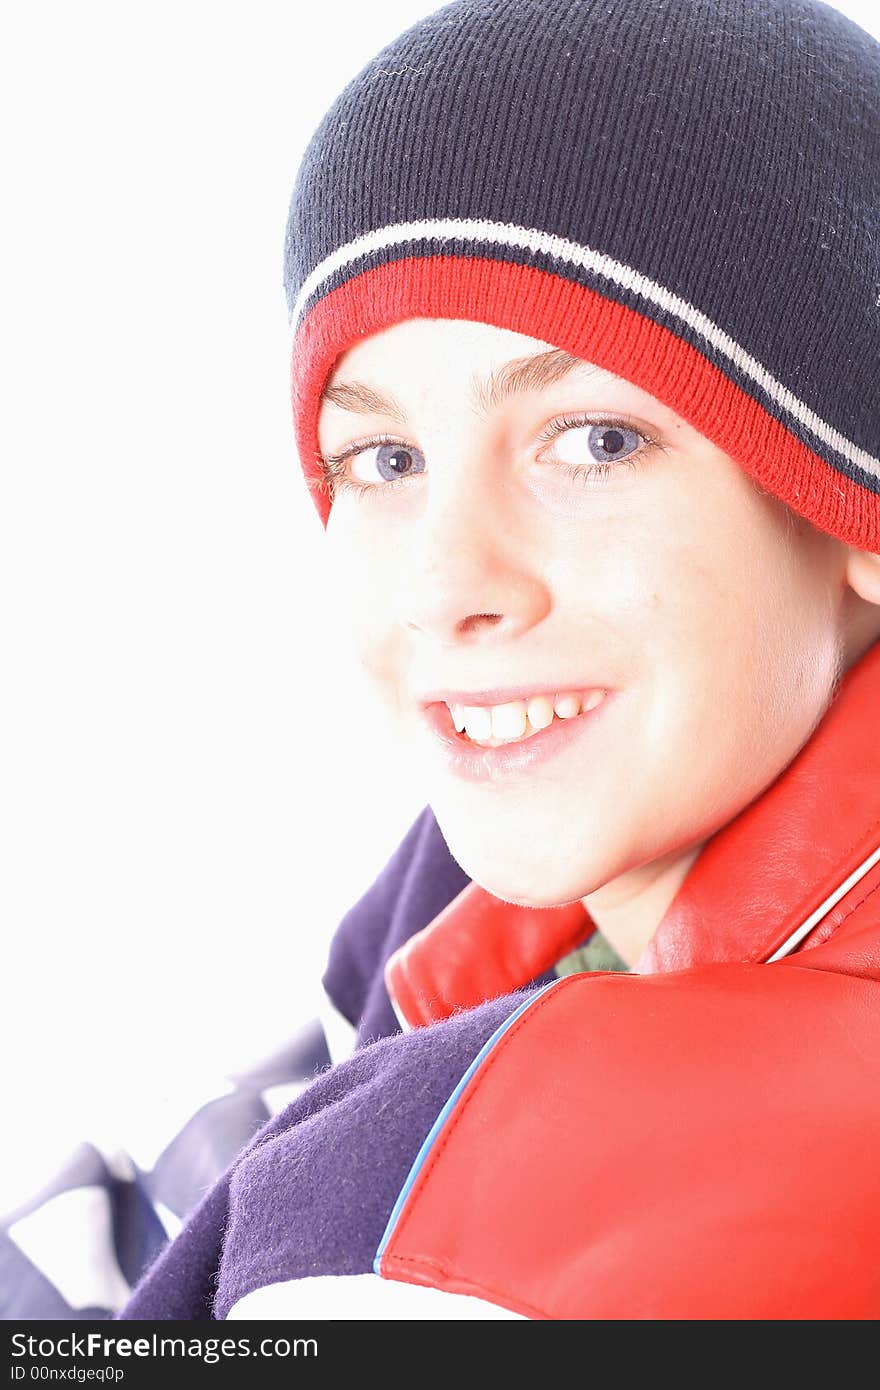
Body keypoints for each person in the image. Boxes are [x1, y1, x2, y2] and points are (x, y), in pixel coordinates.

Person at [106, 0, 880, 1318]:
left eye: (593, 440)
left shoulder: (469, 1222)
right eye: (385, 458)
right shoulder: (482, 902)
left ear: (847, 498)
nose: (444, 584)